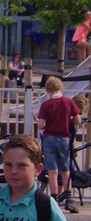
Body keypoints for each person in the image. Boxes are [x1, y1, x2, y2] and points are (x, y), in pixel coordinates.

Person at [38, 76, 81, 210]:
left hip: (49, 138)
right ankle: (69, 199)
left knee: (52, 171)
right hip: (64, 139)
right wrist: (68, 121)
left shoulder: (45, 105)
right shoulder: (69, 102)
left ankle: (54, 200)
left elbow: (40, 125)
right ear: (61, 88)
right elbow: (78, 120)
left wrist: (48, 125)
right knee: (65, 170)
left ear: (47, 90)